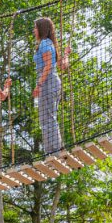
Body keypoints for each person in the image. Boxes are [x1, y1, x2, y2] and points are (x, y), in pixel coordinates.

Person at [32, 17, 69, 155]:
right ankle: (53, 150)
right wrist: (65, 54)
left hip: (47, 81)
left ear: (41, 29)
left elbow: (48, 66)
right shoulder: (50, 44)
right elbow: (62, 66)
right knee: (47, 117)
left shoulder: (45, 44)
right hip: (52, 81)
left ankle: (54, 151)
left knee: (47, 118)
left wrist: (39, 84)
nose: (34, 30)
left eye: (35, 28)